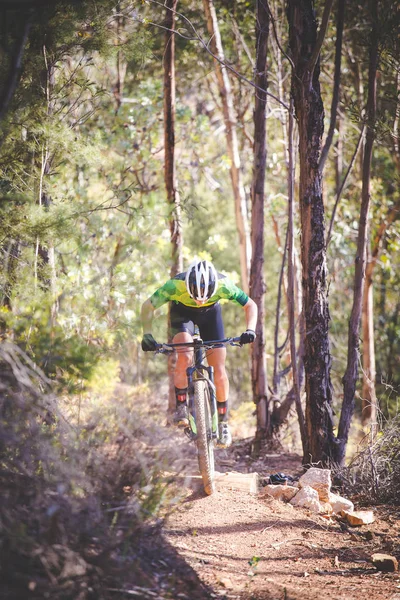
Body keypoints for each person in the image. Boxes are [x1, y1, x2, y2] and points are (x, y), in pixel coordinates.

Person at [140, 258, 258, 448]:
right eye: (195, 295)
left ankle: (223, 422)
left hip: (210, 316)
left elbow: (250, 305)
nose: (200, 300)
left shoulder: (223, 285)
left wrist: (250, 330)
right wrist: (146, 334)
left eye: (204, 296)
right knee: (185, 354)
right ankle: (181, 406)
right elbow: (148, 306)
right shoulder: (174, 286)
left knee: (218, 368)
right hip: (182, 314)